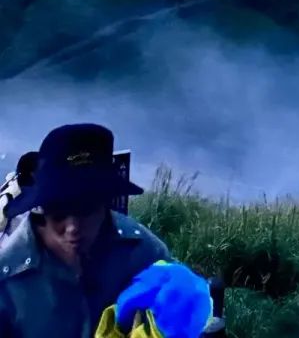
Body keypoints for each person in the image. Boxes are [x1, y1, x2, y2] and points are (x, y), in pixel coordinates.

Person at [0, 124, 211, 338]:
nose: (72, 228)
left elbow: (186, 315)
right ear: (42, 209)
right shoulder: (5, 278)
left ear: (105, 204)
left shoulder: (146, 254)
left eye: (85, 210)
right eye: (59, 214)